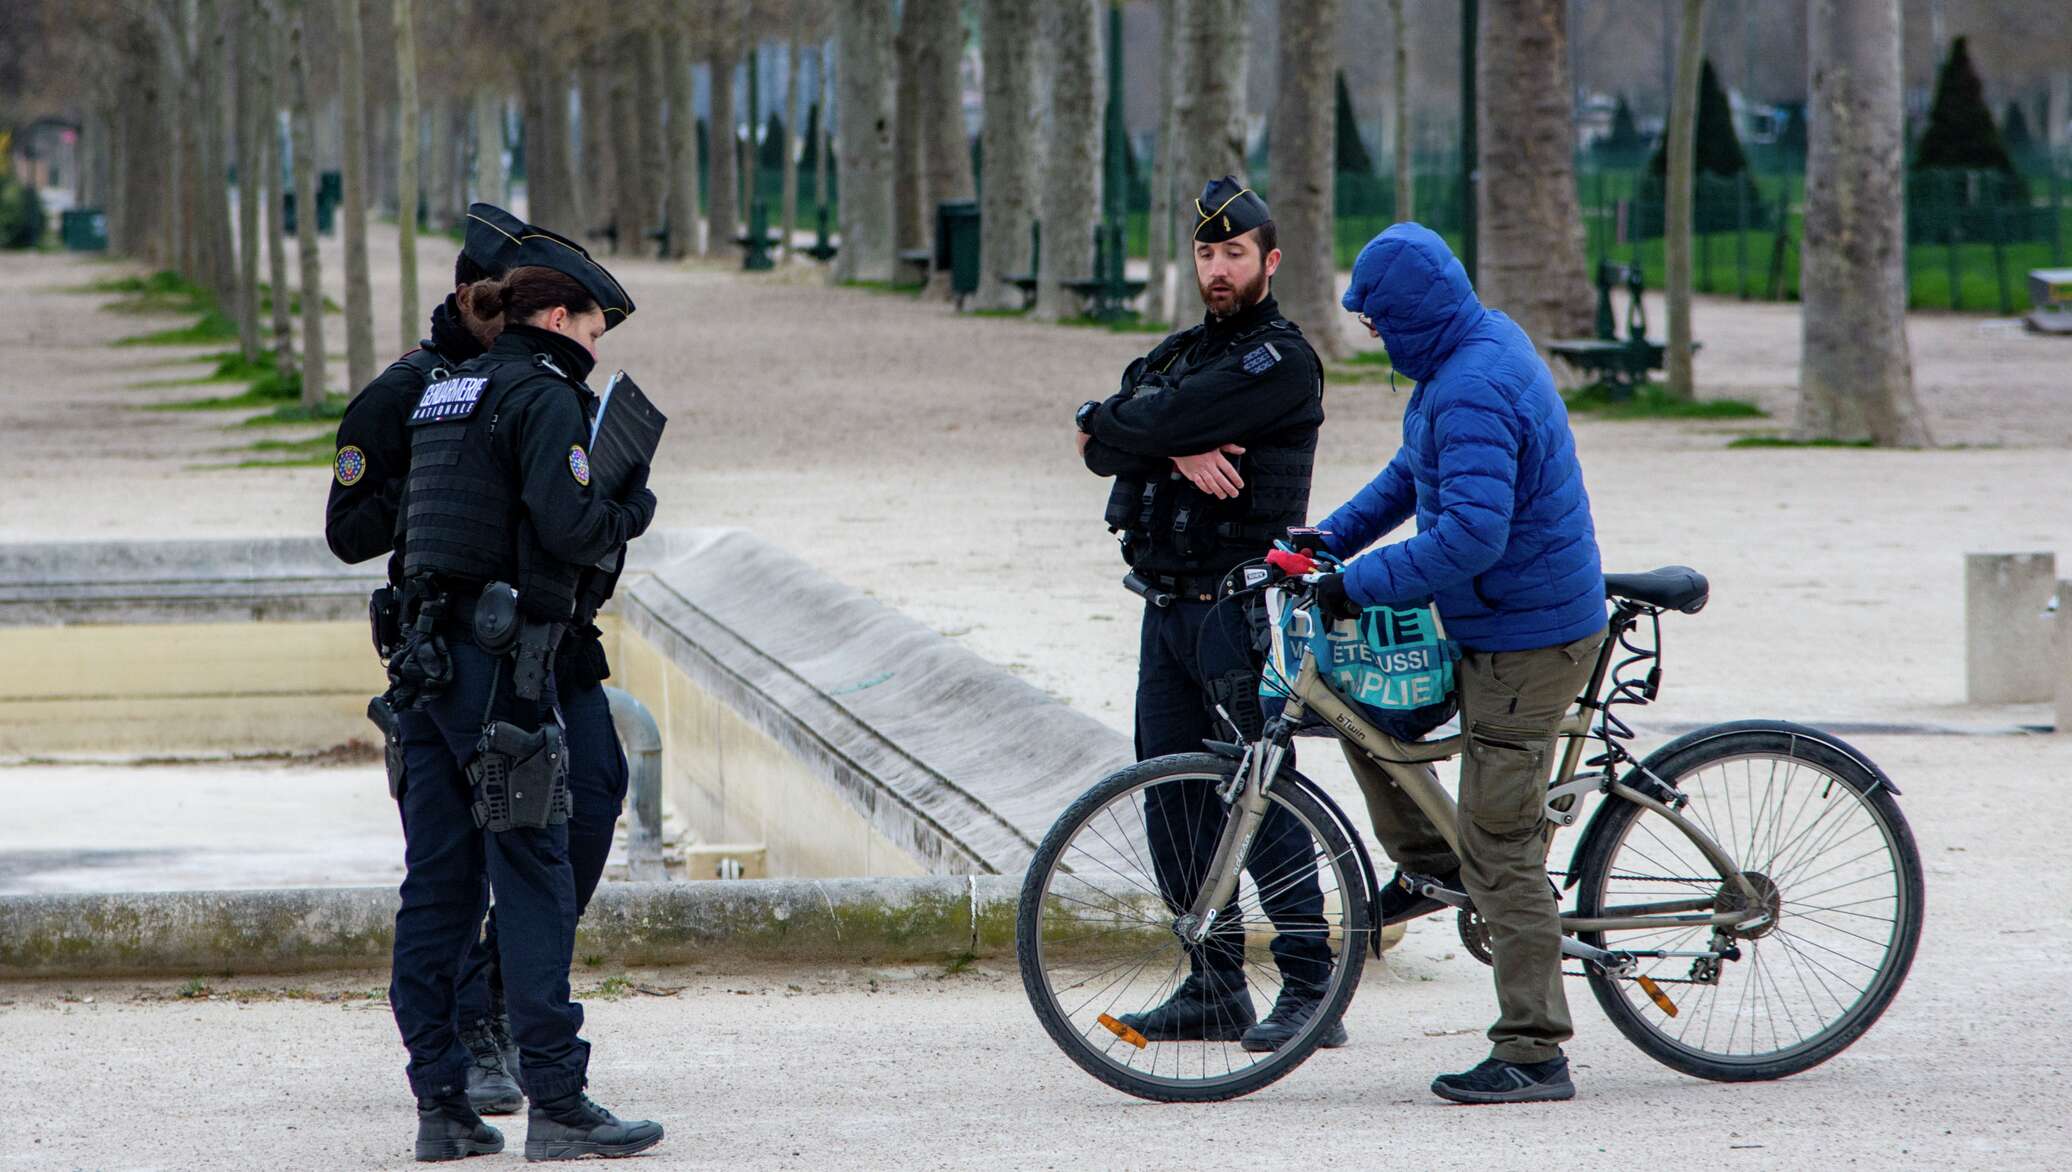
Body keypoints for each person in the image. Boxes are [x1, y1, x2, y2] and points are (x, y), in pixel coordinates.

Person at [329, 205, 640, 1121]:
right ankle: (518, 1064)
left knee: (563, 824)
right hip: (481, 655)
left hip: (537, 652)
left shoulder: (484, 392)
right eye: (587, 322)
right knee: (508, 863)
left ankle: (456, 1081)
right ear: (477, 299)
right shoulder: (418, 391)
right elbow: (349, 530)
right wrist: (461, 487)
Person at [1309, 222, 1606, 1104]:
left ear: (1409, 316)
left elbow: (1472, 535)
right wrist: (1327, 540)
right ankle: (1436, 870)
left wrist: (1353, 587)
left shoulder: (1471, 382)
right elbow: (1413, 473)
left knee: (1502, 840)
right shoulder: (1467, 349)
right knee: (1370, 714)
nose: (1371, 336)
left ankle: (1534, 1050)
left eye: (1376, 322)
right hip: (1497, 620)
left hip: (1529, 636)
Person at [387, 260, 662, 1162]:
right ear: (556, 317)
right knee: (535, 870)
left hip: (425, 670)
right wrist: (630, 502)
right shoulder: (543, 399)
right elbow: (570, 530)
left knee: (437, 887)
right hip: (501, 674)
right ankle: (558, 1100)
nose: (594, 348)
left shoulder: (446, 391)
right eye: (590, 330)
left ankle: (442, 1106)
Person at [1073, 177, 1338, 1053]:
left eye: (1234, 254)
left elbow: (1125, 425)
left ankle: (1312, 984)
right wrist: (1172, 445)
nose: (1218, 270)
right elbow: (1098, 438)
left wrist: (1141, 430)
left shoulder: (1281, 359)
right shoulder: (1181, 351)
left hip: (1241, 613)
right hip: (1165, 610)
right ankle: (1214, 984)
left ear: (1270, 260)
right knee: (1173, 802)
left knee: (1261, 795)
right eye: (1206, 254)